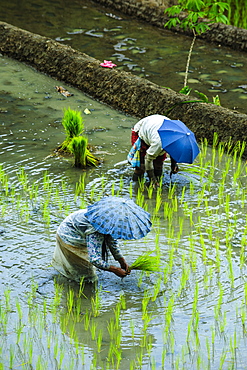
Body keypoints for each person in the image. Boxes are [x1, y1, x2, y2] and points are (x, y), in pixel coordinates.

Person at [52, 208, 130, 283]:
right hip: (69, 235)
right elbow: (94, 259)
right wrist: (114, 269)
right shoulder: (96, 228)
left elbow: (112, 241)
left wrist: (122, 261)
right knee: (87, 277)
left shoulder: (108, 220)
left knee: (83, 267)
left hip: (78, 229)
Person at [130, 114, 179, 186]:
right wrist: (152, 179)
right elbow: (148, 159)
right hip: (142, 130)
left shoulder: (178, 139)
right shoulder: (159, 142)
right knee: (141, 167)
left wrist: (173, 164)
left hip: (155, 127)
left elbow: (173, 150)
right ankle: (135, 186)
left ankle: (157, 181)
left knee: (158, 164)